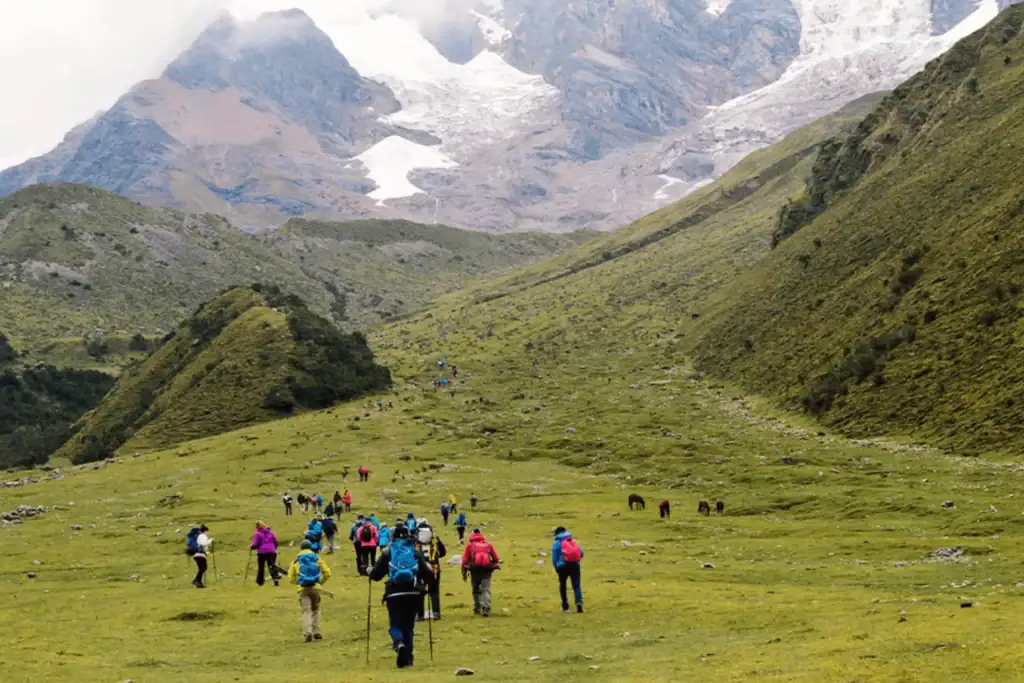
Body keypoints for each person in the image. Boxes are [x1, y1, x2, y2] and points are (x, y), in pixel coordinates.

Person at [368, 525, 435, 668]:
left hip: (394, 593)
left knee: (395, 624)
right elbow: (427, 574)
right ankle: (408, 661)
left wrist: (369, 571)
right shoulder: (414, 552)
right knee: (409, 627)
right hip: (414, 593)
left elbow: (376, 575)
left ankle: (398, 643)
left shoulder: (388, 552)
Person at [287, 540, 332, 642]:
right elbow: (327, 573)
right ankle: (316, 631)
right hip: (316, 588)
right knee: (315, 610)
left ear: (301, 548)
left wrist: (299, 582)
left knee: (306, 611)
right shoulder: (317, 559)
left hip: (303, 589)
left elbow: (290, 578)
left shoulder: (296, 561)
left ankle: (308, 633)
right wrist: (320, 582)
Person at [461, 529, 500, 616]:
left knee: (475, 590)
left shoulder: (470, 546)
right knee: (486, 589)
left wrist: (464, 572)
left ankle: (477, 608)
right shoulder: (488, 545)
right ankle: (486, 608)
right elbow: (496, 558)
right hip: (486, 571)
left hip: (474, 570)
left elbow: (465, 560)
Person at [416, 520, 446, 620]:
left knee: (420, 591)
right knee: (434, 591)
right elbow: (443, 552)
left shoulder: (416, 538)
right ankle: (436, 613)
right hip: (434, 567)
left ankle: (420, 615)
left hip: (420, 568)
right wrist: (436, 557)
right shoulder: (434, 538)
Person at [551, 526, 584, 613]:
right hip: (575, 565)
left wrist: (556, 567)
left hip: (562, 566)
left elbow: (554, 559)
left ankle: (565, 606)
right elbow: (581, 553)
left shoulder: (557, 543)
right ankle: (579, 602)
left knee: (563, 585)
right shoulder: (572, 541)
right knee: (576, 585)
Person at [251, 521, 281, 587]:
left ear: (257, 527)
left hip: (262, 552)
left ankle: (260, 582)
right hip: (271, 552)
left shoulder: (257, 534)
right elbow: (276, 541)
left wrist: (252, 547)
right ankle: (275, 580)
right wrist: (274, 547)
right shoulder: (271, 532)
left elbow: (255, 544)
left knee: (261, 567)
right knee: (272, 566)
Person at [185, 524, 212, 588]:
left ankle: (198, 583)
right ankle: (196, 580)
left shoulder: (197, 536)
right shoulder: (202, 536)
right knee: (203, 568)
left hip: (197, 554)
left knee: (202, 568)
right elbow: (203, 544)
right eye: (207, 531)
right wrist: (209, 541)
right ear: (205, 531)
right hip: (200, 554)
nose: (207, 533)